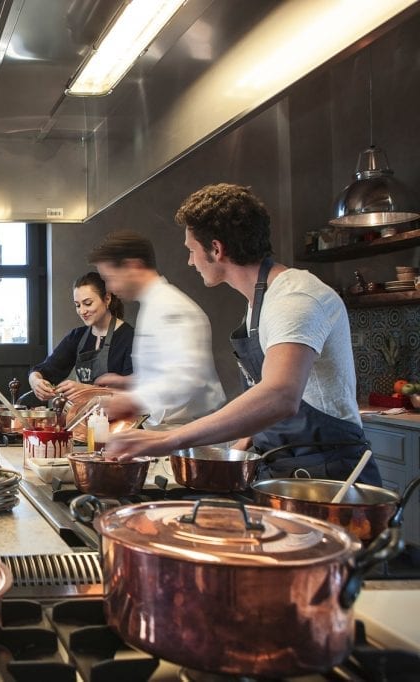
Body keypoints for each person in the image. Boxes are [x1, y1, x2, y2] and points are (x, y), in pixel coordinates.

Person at [106, 183, 380, 485]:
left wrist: (168, 440)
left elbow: (280, 395)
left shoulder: (295, 296)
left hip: (331, 479)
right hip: (284, 470)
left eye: (191, 250)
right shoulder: (257, 305)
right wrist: (239, 447)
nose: (189, 261)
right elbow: (267, 400)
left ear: (216, 249)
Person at [89, 230, 225, 426]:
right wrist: (128, 382)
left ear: (132, 266)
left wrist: (131, 400)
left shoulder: (170, 306)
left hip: (188, 432)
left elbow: (186, 378)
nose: (109, 287)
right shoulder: (152, 305)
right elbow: (165, 373)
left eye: (110, 277)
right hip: (168, 430)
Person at [28, 271, 134, 404]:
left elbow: (134, 391)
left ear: (107, 298)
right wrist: (35, 380)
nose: (82, 311)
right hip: (85, 419)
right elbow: (45, 369)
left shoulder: (129, 338)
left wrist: (87, 390)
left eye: (88, 303)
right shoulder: (77, 336)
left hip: (122, 422)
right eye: (78, 305)